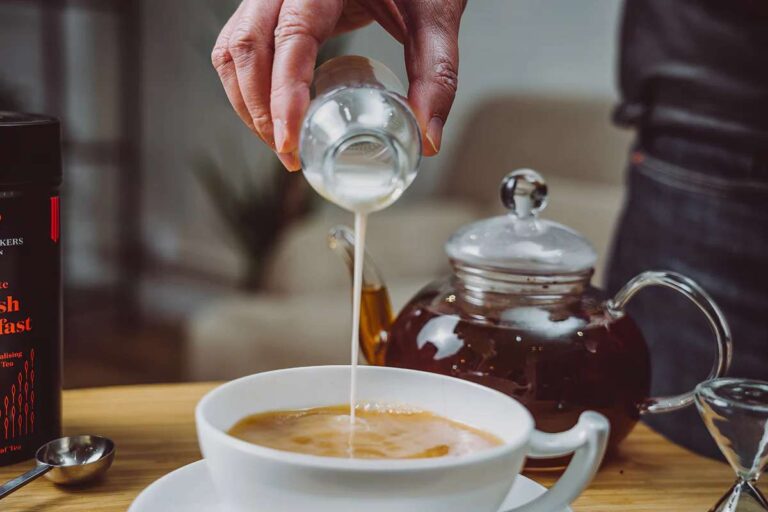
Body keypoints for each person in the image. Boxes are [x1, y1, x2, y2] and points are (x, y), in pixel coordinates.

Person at [213, 0, 768, 459]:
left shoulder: (596, 327)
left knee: (702, 461)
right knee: (695, 463)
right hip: (711, 130)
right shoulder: (445, 314)